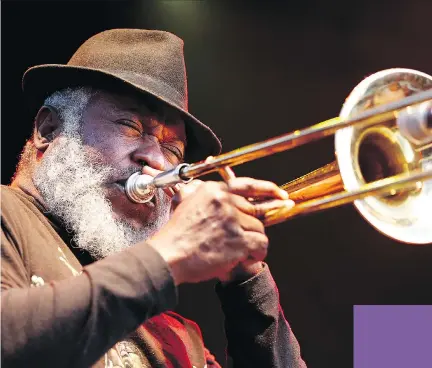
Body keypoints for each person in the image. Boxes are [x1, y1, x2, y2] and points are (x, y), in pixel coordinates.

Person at [1, 29, 306, 367]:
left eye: (172, 148)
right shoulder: (8, 214)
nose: (158, 162)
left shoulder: (174, 336)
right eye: (131, 127)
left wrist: (246, 278)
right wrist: (170, 254)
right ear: (49, 130)